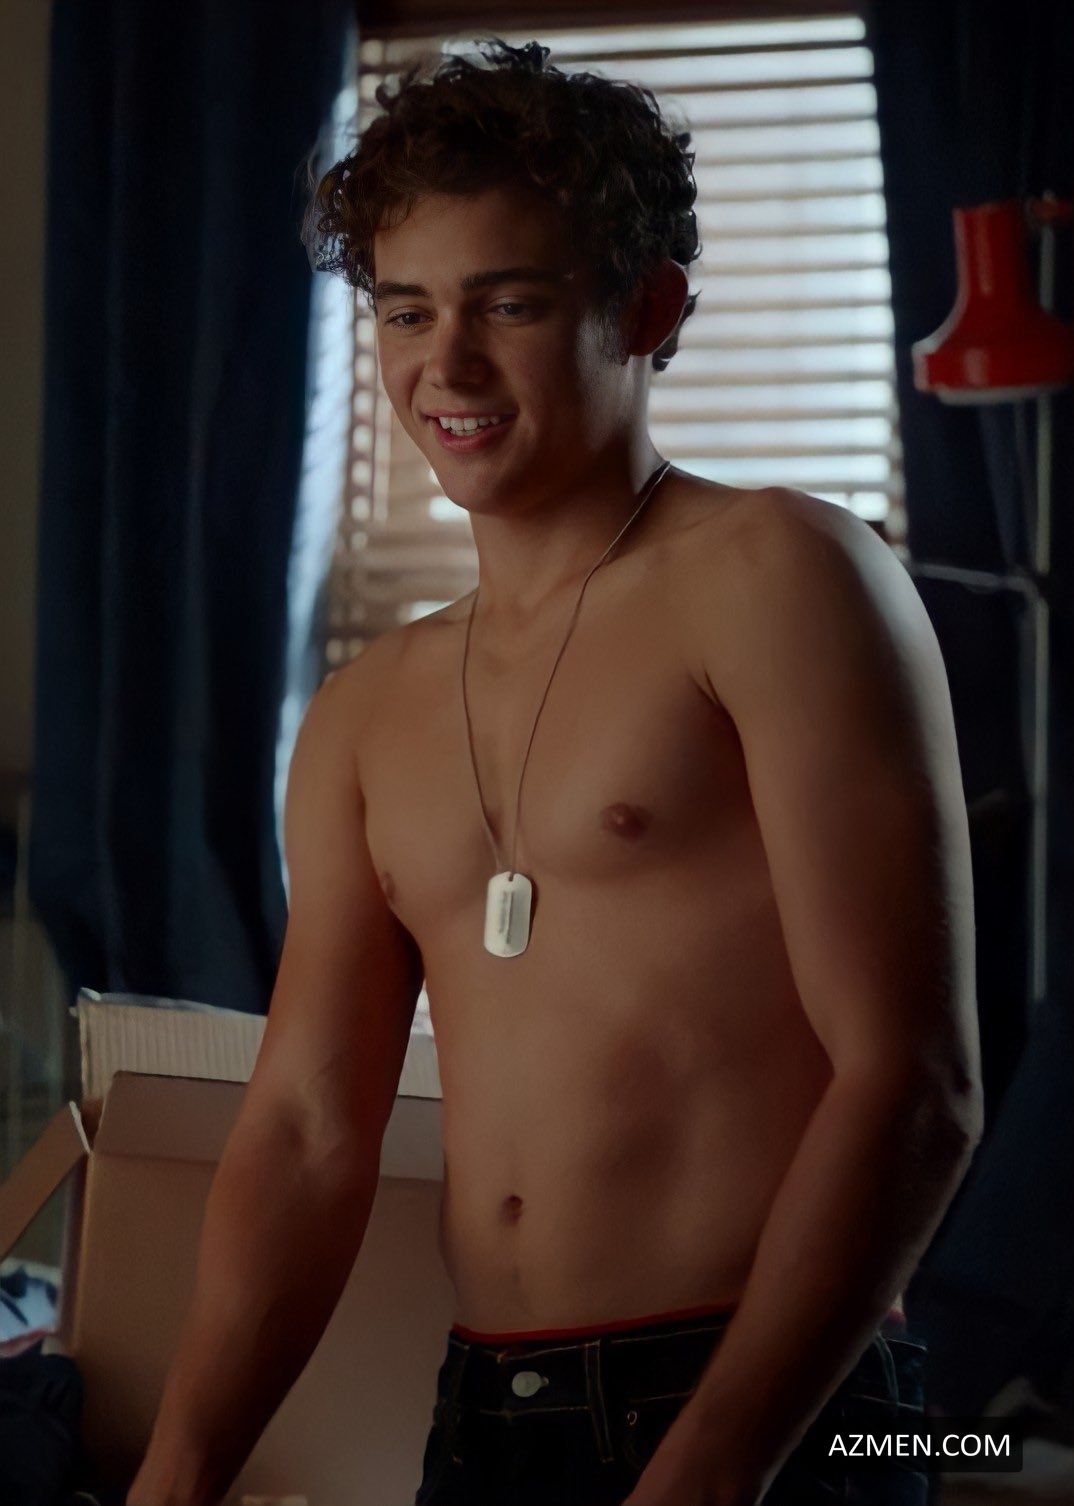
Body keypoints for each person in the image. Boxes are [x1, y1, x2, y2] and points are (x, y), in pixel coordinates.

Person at [128, 38, 984, 1506]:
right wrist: (177, 1471)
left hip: (787, 1410)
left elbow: (914, 1081)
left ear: (648, 309)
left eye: (509, 304)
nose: (445, 365)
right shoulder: (364, 711)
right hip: (486, 1413)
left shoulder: (777, 574)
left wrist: (712, 1465)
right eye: (406, 310)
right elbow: (308, 1130)